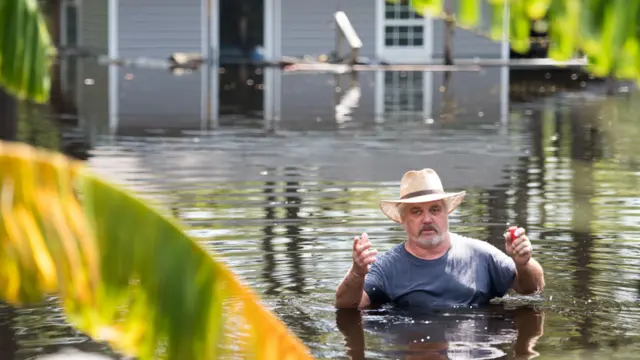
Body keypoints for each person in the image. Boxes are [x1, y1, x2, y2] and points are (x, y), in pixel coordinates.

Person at [334, 168, 545, 309]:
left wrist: (523, 263)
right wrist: (357, 273)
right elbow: (346, 306)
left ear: (446, 213)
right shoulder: (387, 267)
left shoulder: (480, 254)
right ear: (403, 220)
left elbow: (532, 289)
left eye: (435, 209)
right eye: (416, 212)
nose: (427, 219)